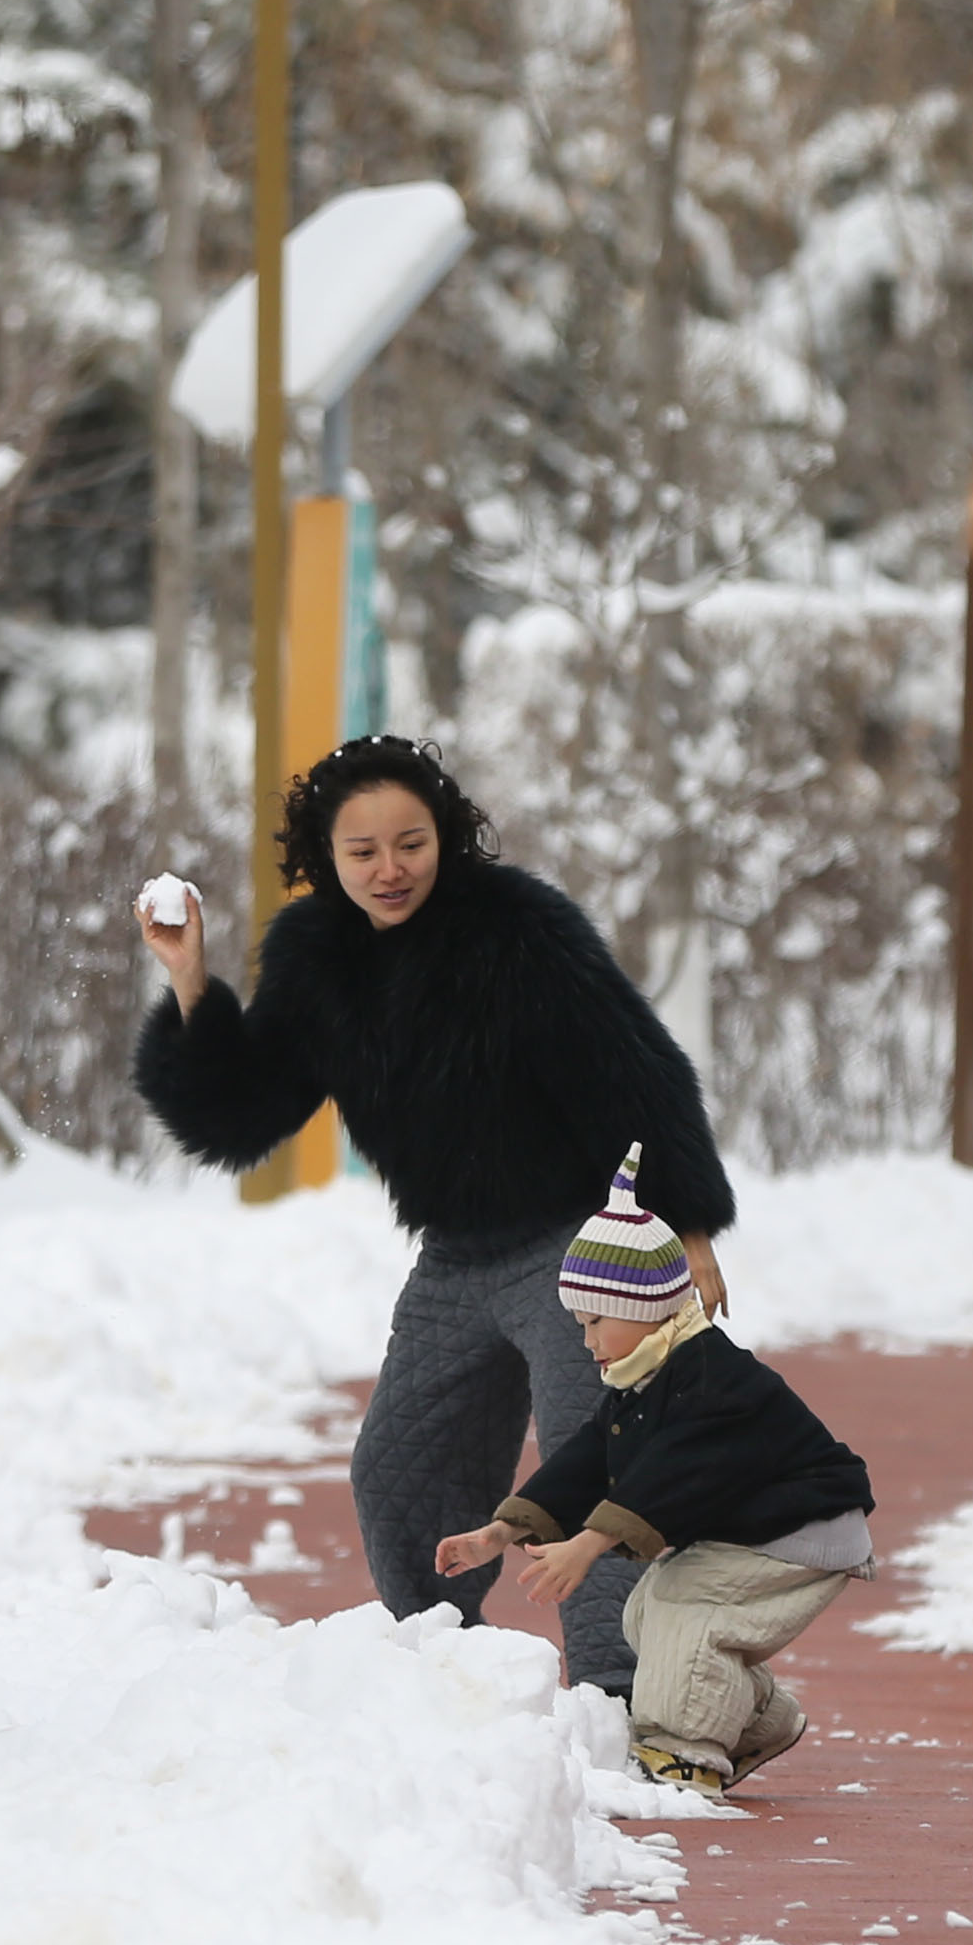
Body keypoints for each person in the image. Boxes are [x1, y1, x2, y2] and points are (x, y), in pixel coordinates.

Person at [133, 739, 737, 1697]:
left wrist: (689, 1222)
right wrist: (190, 980)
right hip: (455, 1260)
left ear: (445, 838)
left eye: (410, 842)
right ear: (324, 857)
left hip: (578, 1245)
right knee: (397, 1474)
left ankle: (631, 1700)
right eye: (362, 851)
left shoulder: (519, 929)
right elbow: (240, 1119)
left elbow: (634, 1071)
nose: (390, 869)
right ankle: (441, 1677)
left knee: (593, 1472)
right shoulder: (313, 960)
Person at [432, 1157, 875, 1801]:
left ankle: (684, 1756)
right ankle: (757, 1720)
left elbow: (676, 1472)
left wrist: (587, 1545)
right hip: (756, 1524)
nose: (588, 1342)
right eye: (581, 1325)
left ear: (644, 1305)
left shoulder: (708, 1378)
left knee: (681, 1610)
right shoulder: (647, 1373)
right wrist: (504, 1529)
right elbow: (591, 1459)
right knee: (644, 1610)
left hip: (803, 1524)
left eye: (596, 1322)